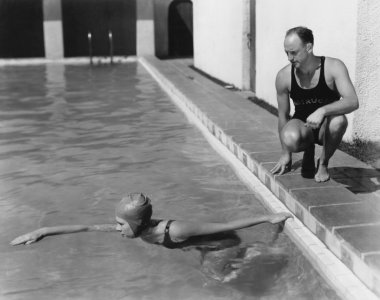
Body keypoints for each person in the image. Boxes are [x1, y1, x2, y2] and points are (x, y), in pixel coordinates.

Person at [11, 193, 292, 248]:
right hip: (198, 246)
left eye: (121, 224)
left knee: (218, 278)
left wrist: (268, 217)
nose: (116, 228)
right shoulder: (137, 229)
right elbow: (85, 227)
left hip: (221, 243)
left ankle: (259, 251)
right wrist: (42, 230)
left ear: (136, 225)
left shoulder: (176, 229)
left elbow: (224, 227)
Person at [271, 26, 359, 182]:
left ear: (309, 47)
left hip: (325, 126)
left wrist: (322, 111)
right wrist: (286, 153)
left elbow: (352, 101)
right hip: (302, 125)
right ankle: (308, 148)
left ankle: (323, 162)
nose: (289, 58)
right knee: (289, 137)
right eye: (287, 53)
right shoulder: (283, 76)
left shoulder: (333, 67)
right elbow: (283, 115)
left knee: (339, 120)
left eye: (294, 52)